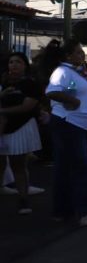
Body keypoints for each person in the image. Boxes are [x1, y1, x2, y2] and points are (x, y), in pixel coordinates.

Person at [45, 39, 87, 226]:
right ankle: (83, 211)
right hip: (69, 124)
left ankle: (63, 209)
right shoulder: (62, 71)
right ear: (68, 56)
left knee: (68, 168)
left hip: (78, 126)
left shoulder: (75, 72)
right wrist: (73, 102)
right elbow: (52, 92)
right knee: (79, 167)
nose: (82, 55)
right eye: (78, 52)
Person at [0, 52, 43, 215]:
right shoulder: (3, 81)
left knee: (18, 164)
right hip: (3, 127)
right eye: (11, 62)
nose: (14, 65)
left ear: (25, 65)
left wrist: (2, 110)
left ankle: (24, 199)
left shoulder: (30, 84)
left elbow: (28, 106)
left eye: (18, 62)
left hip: (21, 127)